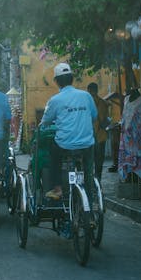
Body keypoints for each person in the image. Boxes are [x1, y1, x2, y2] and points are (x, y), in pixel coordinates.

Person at [40, 63, 97, 200]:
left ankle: (57, 189)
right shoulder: (86, 96)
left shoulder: (55, 100)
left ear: (56, 81)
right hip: (87, 144)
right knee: (88, 165)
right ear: (72, 78)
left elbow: (45, 123)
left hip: (65, 145)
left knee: (53, 154)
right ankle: (89, 189)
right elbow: (94, 116)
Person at [87, 82, 108, 182]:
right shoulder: (103, 103)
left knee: (89, 163)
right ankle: (98, 183)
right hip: (100, 137)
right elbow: (105, 120)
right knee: (99, 163)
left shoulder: (86, 103)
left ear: (89, 91)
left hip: (90, 138)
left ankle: (91, 184)